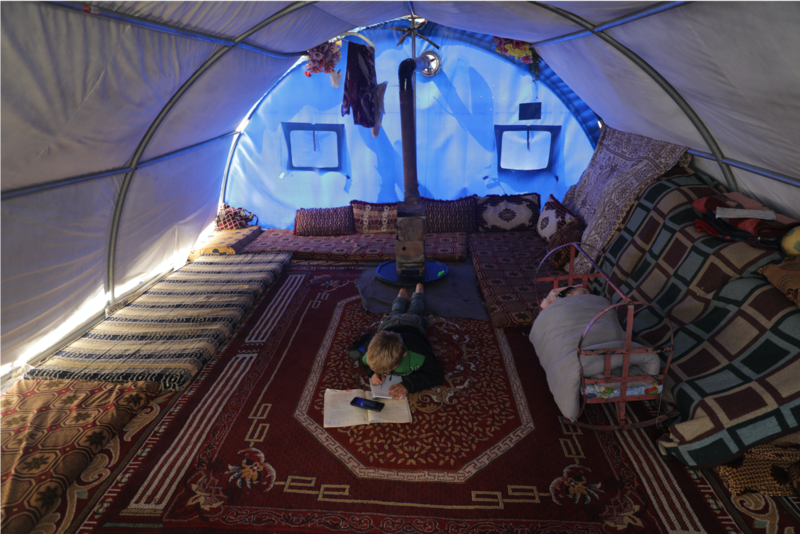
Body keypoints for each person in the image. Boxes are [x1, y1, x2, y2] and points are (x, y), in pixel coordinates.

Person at [361, 283, 444, 400]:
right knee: (395, 311)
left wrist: (408, 385)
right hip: (388, 324)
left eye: (388, 369)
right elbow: (365, 362)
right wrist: (372, 373)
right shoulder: (369, 350)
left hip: (411, 324)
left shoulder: (419, 352)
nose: (385, 373)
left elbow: (437, 375)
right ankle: (401, 296)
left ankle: (418, 293)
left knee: (415, 310)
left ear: (404, 354)